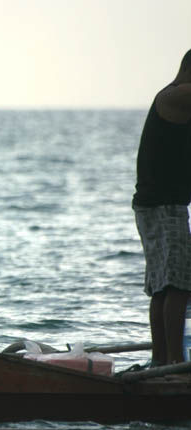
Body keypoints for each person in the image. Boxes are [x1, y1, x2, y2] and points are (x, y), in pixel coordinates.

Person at [132, 48, 191, 366]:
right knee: (178, 284)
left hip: (153, 204)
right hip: (164, 205)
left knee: (164, 286)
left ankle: (162, 361)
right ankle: (173, 363)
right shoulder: (178, 95)